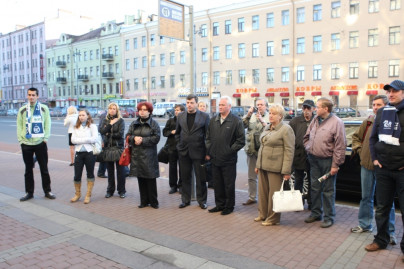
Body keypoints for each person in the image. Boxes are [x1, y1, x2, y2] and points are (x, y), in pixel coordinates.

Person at [365, 80, 404, 255]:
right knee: (382, 207)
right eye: (389, 91)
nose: (391, 94)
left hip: (402, 171)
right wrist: (375, 160)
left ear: (403, 92)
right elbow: (373, 139)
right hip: (383, 169)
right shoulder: (382, 112)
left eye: (395, 91)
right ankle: (381, 240)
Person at [351, 95, 396, 244]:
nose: (375, 107)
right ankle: (365, 224)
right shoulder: (369, 121)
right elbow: (356, 137)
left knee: (387, 201)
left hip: (385, 167)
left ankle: (390, 232)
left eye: (379, 105)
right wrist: (359, 149)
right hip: (367, 166)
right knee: (366, 197)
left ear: (386, 106)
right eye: (374, 104)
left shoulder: (392, 122)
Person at [303, 97, 346, 228]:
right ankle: (316, 213)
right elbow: (306, 137)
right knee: (315, 188)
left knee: (328, 190)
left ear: (325, 109)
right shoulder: (315, 120)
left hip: (328, 162)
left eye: (318, 107)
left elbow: (340, 145)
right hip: (314, 160)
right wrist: (308, 148)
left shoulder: (337, 122)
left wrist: (335, 164)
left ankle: (329, 217)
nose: (315, 109)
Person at [254, 104, 294, 225]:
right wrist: (257, 165)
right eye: (270, 113)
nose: (270, 116)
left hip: (276, 167)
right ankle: (263, 214)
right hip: (263, 166)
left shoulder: (286, 129)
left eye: (274, 114)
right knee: (262, 192)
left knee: (274, 194)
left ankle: (273, 218)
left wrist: (286, 171)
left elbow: (289, 151)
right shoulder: (267, 128)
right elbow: (262, 147)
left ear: (280, 116)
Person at [206, 96, 245, 215]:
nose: (220, 107)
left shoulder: (236, 121)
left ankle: (229, 206)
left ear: (229, 106)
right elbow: (208, 137)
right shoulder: (213, 120)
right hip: (215, 158)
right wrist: (210, 150)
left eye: (223, 105)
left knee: (228, 184)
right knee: (217, 184)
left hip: (229, 159)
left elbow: (240, 140)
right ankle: (219, 204)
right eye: (219, 105)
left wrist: (229, 151)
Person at [17, 87, 56, 201]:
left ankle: (47, 191)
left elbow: (47, 123)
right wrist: (21, 140)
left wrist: (45, 138)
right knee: (28, 170)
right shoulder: (23, 109)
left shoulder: (43, 108)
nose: (31, 97)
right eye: (29, 95)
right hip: (26, 143)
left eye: (33, 95)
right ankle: (29, 193)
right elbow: (19, 125)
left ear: (37, 96)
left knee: (44, 169)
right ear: (27, 96)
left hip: (40, 143)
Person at [175, 94, 210, 209]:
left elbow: (208, 135)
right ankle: (185, 200)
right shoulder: (180, 116)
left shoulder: (204, 116)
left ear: (196, 103)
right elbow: (177, 133)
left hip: (199, 151)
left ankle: (202, 201)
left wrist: (207, 152)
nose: (189, 105)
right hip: (184, 151)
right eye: (187, 102)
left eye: (191, 103)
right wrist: (179, 146)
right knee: (185, 177)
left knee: (201, 178)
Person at [126, 102, 160, 209]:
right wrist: (133, 138)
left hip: (149, 156)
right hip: (137, 156)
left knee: (150, 179)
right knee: (141, 179)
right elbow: (128, 136)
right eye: (140, 109)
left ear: (149, 111)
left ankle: (154, 202)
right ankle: (143, 201)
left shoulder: (154, 123)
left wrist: (143, 140)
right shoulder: (134, 123)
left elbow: (156, 138)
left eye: (145, 109)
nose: (142, 111)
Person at [242, 98, 269, 205]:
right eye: (258, 105)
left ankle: (264, 197)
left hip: (263, 152)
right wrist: (248, 114)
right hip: (251, 150)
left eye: (261, 104)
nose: (259, 106)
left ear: (266, 106)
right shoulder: (251, 116)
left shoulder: (269, 116)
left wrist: (262, 121)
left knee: (264, 176)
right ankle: (252, 197)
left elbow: (270, 129)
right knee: (251, 176)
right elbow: (242, 125)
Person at [289, 99, 315, 209]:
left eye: (308, 108)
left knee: (311, 181)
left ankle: (311, 203)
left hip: (312, 156)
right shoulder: (295, 121)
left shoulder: (317, 120)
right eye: (304, 108)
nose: (306, 111)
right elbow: (289, 137)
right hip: (298, 155)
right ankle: (298, 203)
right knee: (298, 180)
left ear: (313, 109)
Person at [71, 109, 98, 204]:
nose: (81, 117)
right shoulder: (75, 127)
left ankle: (88, 195)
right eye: (79, 115)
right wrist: (87, 139)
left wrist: (81, 139)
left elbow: (94, 138)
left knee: (90, 173)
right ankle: (77, 194)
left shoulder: (92, 126)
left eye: (83, 115)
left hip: (89, 153)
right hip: (78, 153)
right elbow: (73, 140)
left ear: (87, 116)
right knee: (77, 174)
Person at [99, 102, 126, 198]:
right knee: (110, 171)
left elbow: (120, 134)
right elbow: (101, 131)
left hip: (118, 148)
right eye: (110, 108)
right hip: (107, 148)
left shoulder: (121, 121)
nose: (112, 110)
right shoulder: (105, 120)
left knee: (120, 172)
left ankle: (121, 191)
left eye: (114, 108)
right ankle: (110, 190)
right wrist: (110, 124)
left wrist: (108, 134)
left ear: (117, 110)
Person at [163, 104, 185, 194]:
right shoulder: (170, 121)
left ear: (182, 111)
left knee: (182, 168)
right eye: (175, 110)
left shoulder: (184, 120)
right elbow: (164, 132)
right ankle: (173, 186)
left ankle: (181, 186)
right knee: (172, 167)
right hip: (172, 147)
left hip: (182, 147)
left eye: (178, 110)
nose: (176, 111)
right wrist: (171, 132)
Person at [198, 101, 213, 188]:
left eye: (204, 106)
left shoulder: (208, 118)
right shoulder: (196, 117)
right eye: (200, 106)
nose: (202, 107)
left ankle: (211, 182)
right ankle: (204, 181)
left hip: (207, 144)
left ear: (206, 108)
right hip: (199, 145)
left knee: (209, 165)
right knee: (202, 166)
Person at [97, 111, 108, 179]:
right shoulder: (105, 116)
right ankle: (101, 172)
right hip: (105, 139)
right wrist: (102, 141)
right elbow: (100, 129)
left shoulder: (104, 115)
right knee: (104, 157)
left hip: (107, 139)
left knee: (105, 156)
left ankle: (101, 172)